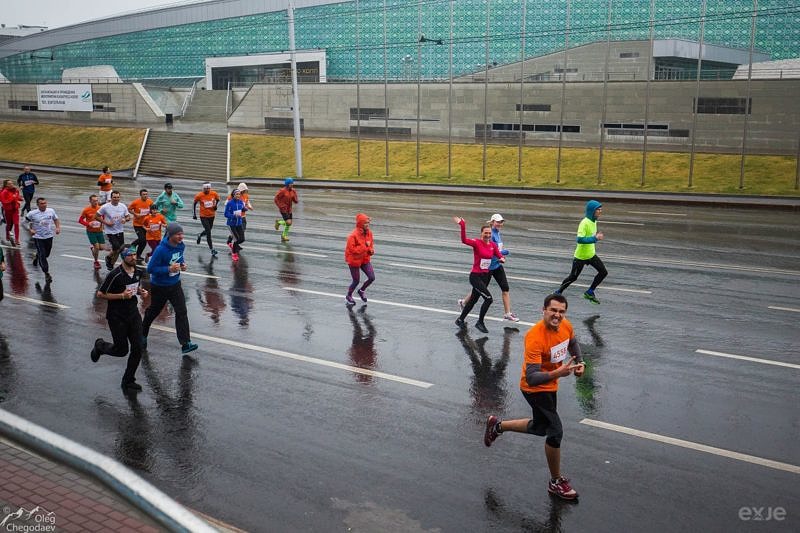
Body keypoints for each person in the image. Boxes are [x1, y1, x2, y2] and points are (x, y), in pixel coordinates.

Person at [483, 293, 585, 501]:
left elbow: (573, 343)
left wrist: (580, 362)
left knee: (540, 427)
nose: (557, 315)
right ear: (544, 310)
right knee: (555, 432)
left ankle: (497, 426)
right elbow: (531, 378)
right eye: (553, 310)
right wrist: (558, 373)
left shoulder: (566, 325)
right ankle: (555, 482)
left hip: (550, 385)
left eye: (561, 312)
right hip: (535, 389)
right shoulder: (535, 336)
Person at [91, 244, 149, 392]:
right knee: (121, 350)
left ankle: (128, 380)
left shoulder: (138, 272)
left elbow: (133, 289)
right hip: (117, 317)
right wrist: (121, 296)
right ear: (123, 256)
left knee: (138, 348)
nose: (134, 257)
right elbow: (101, 294)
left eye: (135, 254)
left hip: (133, 315)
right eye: (130, 255)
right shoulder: (115, 275)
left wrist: (140, 292)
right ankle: (100, 346)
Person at [141, 222, 198, 355]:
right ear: (171, 235)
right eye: (178, 234)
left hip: (175, 284)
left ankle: (185, 343)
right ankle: (142, 334)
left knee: (182, 311)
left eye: (182, 233)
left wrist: (182, 265)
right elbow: (150, 269)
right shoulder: (161, 250)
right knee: (153, 312)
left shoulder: (180, 246)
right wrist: (168, 269)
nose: (181, 236)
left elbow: (179, 258)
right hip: (160, 286)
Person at [459, 213, 519, 322]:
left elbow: (495, 249)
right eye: (497, 222)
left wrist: (501, 256)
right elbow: (489, 249)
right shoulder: (488, 234)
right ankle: (464, 304)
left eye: (501, 222)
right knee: (478, 292)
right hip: (487, 269)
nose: (500, 224)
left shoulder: (496, 233)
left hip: (497, 266)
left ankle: (507, 313)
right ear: (492, 222)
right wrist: (502, 253)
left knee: (505, 288)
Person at [453, 216, 504, 334]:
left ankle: (460, 319)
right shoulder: (477, 243)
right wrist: (462, 225)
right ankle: (480, 322)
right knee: (489, 299)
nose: (487, 235)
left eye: (489, 233)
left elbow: (498, 254)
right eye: (485, 233)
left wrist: (502, 258)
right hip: (475, 276)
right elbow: (464, 240)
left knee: (473, 300)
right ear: (481, 233)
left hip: (485, 277)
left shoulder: (492, 245)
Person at [555, 200, 607, 304]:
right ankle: (558, 292)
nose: (600, 212)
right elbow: (580, 239)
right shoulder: (584, 222)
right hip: (580, 257)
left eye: (601, 209)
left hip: (591, 255)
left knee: (603, 272)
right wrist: (595, 238)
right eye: (598, 210)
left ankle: (590, 292)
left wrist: (596, 236)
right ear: (592, 211)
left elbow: (591, 235)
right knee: (573, 277)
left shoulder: (594, 221)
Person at [25, 197, 60, 284]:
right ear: (38, 205)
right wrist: (30, 230)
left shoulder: (51, 211)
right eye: (42, 203)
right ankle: (46, 273)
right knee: (43, 256)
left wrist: (58, 227)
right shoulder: (32, 213)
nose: (44, 205)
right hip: (38, 237)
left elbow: (56, 219)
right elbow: (23, 222)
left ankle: (37, 257)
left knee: (46, 254)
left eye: (45, 203)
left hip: (49, 236)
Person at [344, 213, 375, 305]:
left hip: (364, 259)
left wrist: (371, 250)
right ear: (361, 224)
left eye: (368, 223)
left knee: (372, 277)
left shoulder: (369, 233)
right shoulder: (352, 236)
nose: (367, 225)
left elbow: (370, 245)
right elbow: (352, 249)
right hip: (354, 260)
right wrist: (365, 248)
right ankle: (349, 296)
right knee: (356, 281)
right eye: (365, 223)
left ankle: (361, 291)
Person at [97, 190, 131, 270]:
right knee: (116, 248)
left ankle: (111, 263)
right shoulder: (105, 207)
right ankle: (109, 259)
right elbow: (96, 216)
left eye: (118, 197)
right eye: (114, 197)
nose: (116, 199)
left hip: (120, 231)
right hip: (110, 231)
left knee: (119, 250)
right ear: (111, 198)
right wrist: (106, 223)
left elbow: (128, 217)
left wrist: (125, 220)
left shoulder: (123, 206)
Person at [78, 194, 105, 269]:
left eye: (96, 200)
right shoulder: (86, 210)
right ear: (90, 201)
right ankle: (96, 262)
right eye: (94, 201)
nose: (95, 202)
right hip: (91, 231)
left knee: (101, 248)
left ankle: (92, 248)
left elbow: (103, 217)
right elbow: (80, 220)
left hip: (99, 231)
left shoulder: (100, 208)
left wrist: (103, 225)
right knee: (97, 247)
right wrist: (88, 224)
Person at [193, 182, 220, 256]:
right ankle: (212, 249)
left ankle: (200, 235)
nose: (207, 190)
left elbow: (218, 199)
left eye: (208, 188)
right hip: (203, 216)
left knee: (209, 230)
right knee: (208, 232)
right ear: (203, 188)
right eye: (206, 188)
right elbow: (194, 203)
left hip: (212, 215)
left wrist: (216, 206)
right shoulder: (199, 195)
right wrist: (194, 214)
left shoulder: (214, 193)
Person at [128, 189, 153, 263]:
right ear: (140, 195)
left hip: (146, 224)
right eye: (144, 194)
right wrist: (135, 214)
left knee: (144, 242)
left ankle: (138, 255)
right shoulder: (136, 202)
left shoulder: (150, 202)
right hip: (137, 224)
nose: (145, 196)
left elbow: (153, 209)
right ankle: (133, 244)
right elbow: (129, 209)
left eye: (146, 194)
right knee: (142, 239)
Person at [224, 189, 247, 262]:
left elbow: (242, 208)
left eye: (239, 194)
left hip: (239, 223)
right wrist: (233, 215)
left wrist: (244, 209)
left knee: (242, 239)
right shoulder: (230, 203)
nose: (238, 195)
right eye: (236, 194)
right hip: (231, 224)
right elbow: (226, 214)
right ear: (233, 195)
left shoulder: (240, 202)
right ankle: (234, 254)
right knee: (236, 239)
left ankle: (232, 244)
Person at [274, 178, 298, 242]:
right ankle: (279, 223)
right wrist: (280, 206)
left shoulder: (293, 191)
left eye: (292, 183)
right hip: (283, 209)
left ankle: (283, 236)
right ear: (287, 184)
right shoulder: (282, 191)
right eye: (290, 183)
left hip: (289, 209)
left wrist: (295, 198)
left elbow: (295, 200)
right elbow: (276, 199)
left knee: (289, 223)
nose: (292, 184)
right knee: (288, 222)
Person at [0, 180, 21, 246]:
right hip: (7, 210)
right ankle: (7, 234)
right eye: (10, 184)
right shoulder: (4, 192)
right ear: (6, 185)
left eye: (12, 183)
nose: (12, 184)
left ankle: (17, 239)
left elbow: (17, 197)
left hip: (15, 210)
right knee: (9, 224)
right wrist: (13, 197)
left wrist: (20, 198)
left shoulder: (16, 190)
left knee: (16, 224)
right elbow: (4, 201)